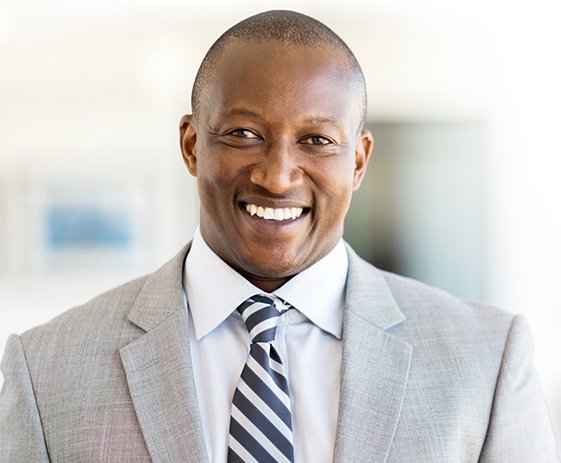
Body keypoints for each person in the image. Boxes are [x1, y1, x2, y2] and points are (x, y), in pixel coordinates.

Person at [0, 9, 559, 463]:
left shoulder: (488, 363)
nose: (276, 175)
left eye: (316, 140)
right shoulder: (44, 371)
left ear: (359, 161)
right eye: (244, 134)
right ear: (193, 145)